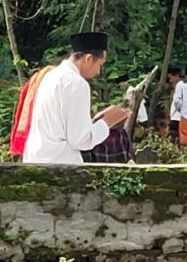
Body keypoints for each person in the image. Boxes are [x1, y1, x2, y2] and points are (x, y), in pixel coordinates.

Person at [22, 32, 129, 164]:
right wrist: (106, 123)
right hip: (58, 163)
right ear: (89, 59)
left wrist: (95, 121)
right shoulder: (76, 83)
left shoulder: (51, 76)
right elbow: (80, 140)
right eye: (100, 65)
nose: (98, 72)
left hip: (35, 158)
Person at [167, 69, 184, 144]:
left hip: (177, 116)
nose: (170, 81)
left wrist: (179, 109)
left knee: (174, 136)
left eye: (171, 78)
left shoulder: (180, 86)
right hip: (176, 116)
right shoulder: (178, 86)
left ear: (176, 76)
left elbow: (177, 101)